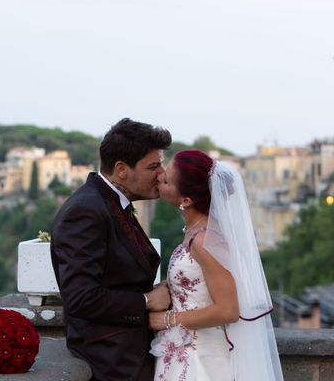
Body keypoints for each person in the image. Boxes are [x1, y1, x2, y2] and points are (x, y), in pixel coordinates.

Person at [50, 118, 172, 381]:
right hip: (112, 360)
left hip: (131, 352)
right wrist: (147, 301)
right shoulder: (86, 211)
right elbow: (81, 298)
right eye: (153, 166)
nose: (162, 173)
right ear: (121, 169)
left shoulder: (109, 202)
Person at [150, 150, 283, 380]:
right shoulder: (196, 232)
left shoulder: (204, 240)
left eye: (167, 180)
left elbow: (228, 310)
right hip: (183, 351)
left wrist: (168, 319)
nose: (160, 176)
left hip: (200, 359)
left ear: (186, 200)